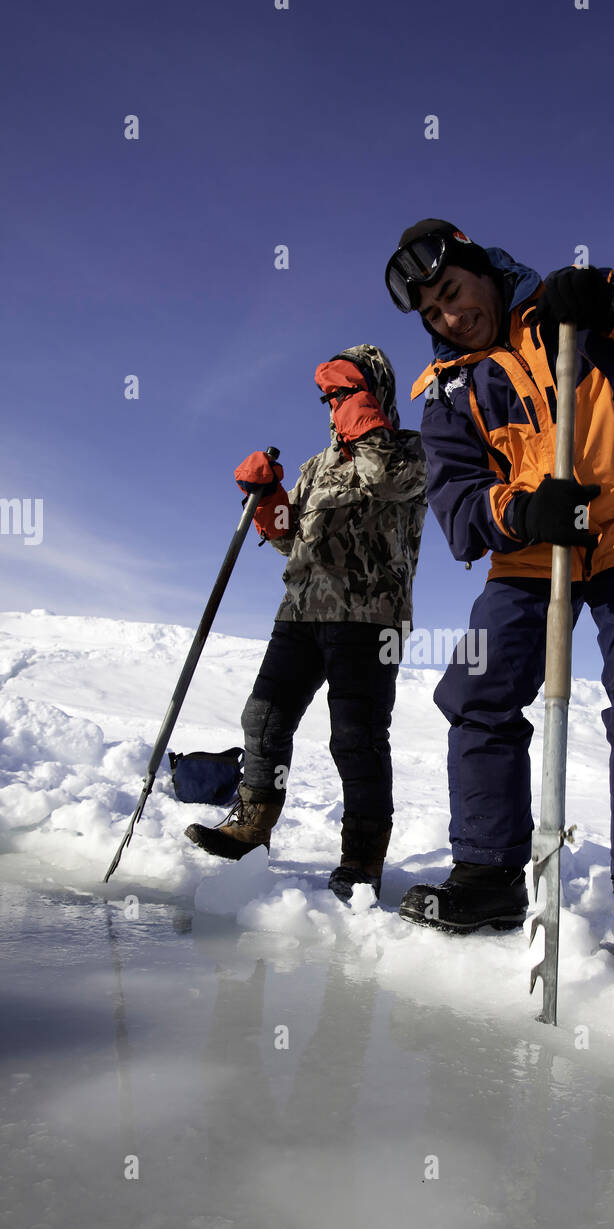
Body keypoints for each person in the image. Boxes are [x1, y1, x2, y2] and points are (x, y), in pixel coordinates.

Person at [384, 220, 614, 974]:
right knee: (478, 689)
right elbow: (459, 510)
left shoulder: (566, 310)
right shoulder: (446, 392)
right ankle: (490, 876)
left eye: (451, 292)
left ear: (478, 267)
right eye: (432, 312)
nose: (449, 315)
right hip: (534, 547)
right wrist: (524, 512)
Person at [185, 345, 427, 902]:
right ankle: (251, 827)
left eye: (346, 393)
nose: (334, 406)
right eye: (331, 397)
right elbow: (290, 538)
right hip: (300, 612)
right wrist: (269, 499)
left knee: (357, 739)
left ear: (374, 393)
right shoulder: (318, 464)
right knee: (263, 718)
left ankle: (361, 859)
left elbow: (386, 481)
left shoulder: (409, 450)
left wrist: (365, 420)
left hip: (371, 620)